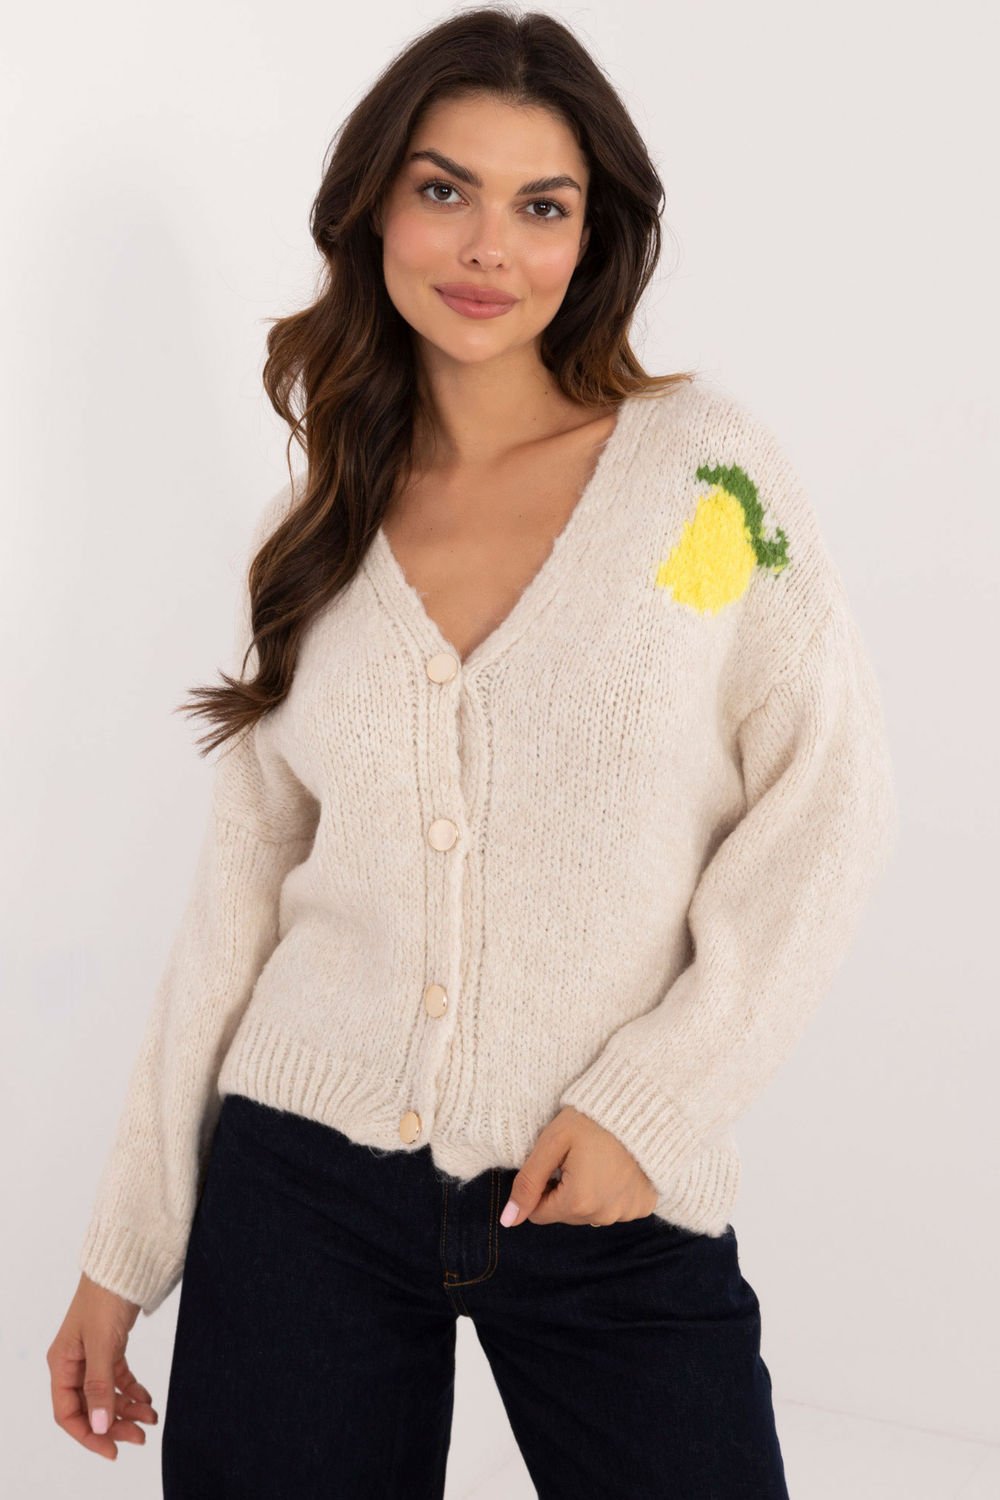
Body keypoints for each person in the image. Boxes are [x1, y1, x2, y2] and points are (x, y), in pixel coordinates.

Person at [47, 8, 898, 1497]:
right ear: (374, 208)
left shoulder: (704, 486)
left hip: (606, 1190)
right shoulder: (314, 534)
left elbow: (824, 806)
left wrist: (652, 1105)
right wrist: (126, 1248)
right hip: (301, 1187)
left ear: (594, 233)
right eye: (444, 189)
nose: (489, 247)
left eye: (541, 205)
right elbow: (237, 908)